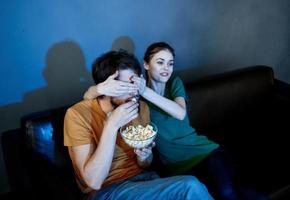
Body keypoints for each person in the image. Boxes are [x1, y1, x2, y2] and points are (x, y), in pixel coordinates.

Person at [84, 43, 268, 200]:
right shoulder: (134, 96)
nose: (166, 68)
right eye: (160, 62)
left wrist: (145, 92)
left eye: (170, 63)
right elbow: (88, 99)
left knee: (231, 193)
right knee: (215, 193)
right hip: (177, 168)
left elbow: (180, 113)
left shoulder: (173, 84)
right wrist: (100, 87)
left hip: (205, 152)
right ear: (146, 65)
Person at [64, 50, 214, 200]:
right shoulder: (77, 114)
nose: (134, 91)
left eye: (135, 83)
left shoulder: (141, 107)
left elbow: (145, 164)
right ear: (107, 86)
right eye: (125, 86)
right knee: (190, 186)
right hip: (108, 190)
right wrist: (111, 125)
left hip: (146, 181)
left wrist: (145, 157)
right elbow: (93, 181)